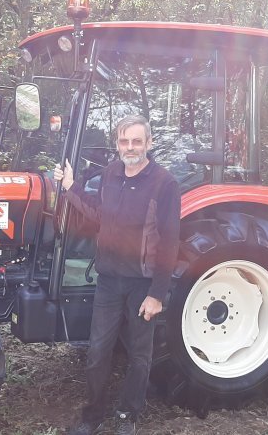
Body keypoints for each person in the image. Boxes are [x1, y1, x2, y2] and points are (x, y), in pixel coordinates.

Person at [54, 114, 181, 435]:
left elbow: (170, 242)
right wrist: (70, 187)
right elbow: (99, 213)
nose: (130, 147)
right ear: (117, 144)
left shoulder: (164, 183)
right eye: (124, 141)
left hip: (142, 284)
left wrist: (157, 294)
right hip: (109, 280)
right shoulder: (111, 173)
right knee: (98, 351)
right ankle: (93, 415)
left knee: (139, 355)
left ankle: (127, 414)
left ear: (149, 143)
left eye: (137, 141)